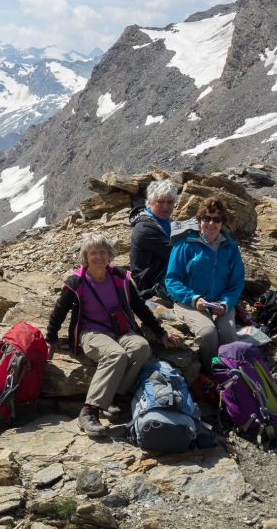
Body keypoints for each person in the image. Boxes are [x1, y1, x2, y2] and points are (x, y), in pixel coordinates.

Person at [46, 233, 182, 436]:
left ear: (110, 255)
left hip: (121, 329)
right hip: (91, 331)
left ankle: (114, 397)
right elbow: (59, 311)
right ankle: (90, 410)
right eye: (93, 253)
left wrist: (160, 332)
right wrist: (51, 339)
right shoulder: (77, 282)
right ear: (86, 256)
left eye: (103, 252)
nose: (98, 257)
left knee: (141, 348)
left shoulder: (119, 277)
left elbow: (140, 307)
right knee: (115, 355)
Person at [165, 197, 245, 371]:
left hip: (220, 303)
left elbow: (236, 283)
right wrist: (194, 299)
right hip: (189, 302)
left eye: (217, 219)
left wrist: (225, 304)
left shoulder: (230, 248)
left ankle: (230, 372)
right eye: (206, 218)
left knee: (229, 334)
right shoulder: (185, 245)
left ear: (222, 223)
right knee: (208, 334)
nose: (211, 223)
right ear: (199, 220)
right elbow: (171, 279)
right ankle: (212, 372)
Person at [128, 178, 179, 302]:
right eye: (160, 202)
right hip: (150, 285)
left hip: (163, 274)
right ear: (150, 202)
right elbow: (176, 254)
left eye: (170, 202)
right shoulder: (145, 228)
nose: (165, 207)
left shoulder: (166, 222)